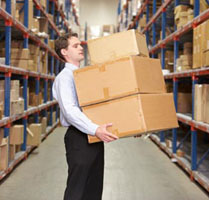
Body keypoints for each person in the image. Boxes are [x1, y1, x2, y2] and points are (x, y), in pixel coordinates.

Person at [52, 32, 118, 200]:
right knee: (77, 189)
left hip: (94, 136)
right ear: (64, 52)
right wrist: (95, 129)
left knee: (93, 188)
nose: (81, 48)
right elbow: (70, 111)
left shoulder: (84, 76)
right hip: (79, 137)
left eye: (80, 44)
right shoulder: (65, 78)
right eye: (75, 46)